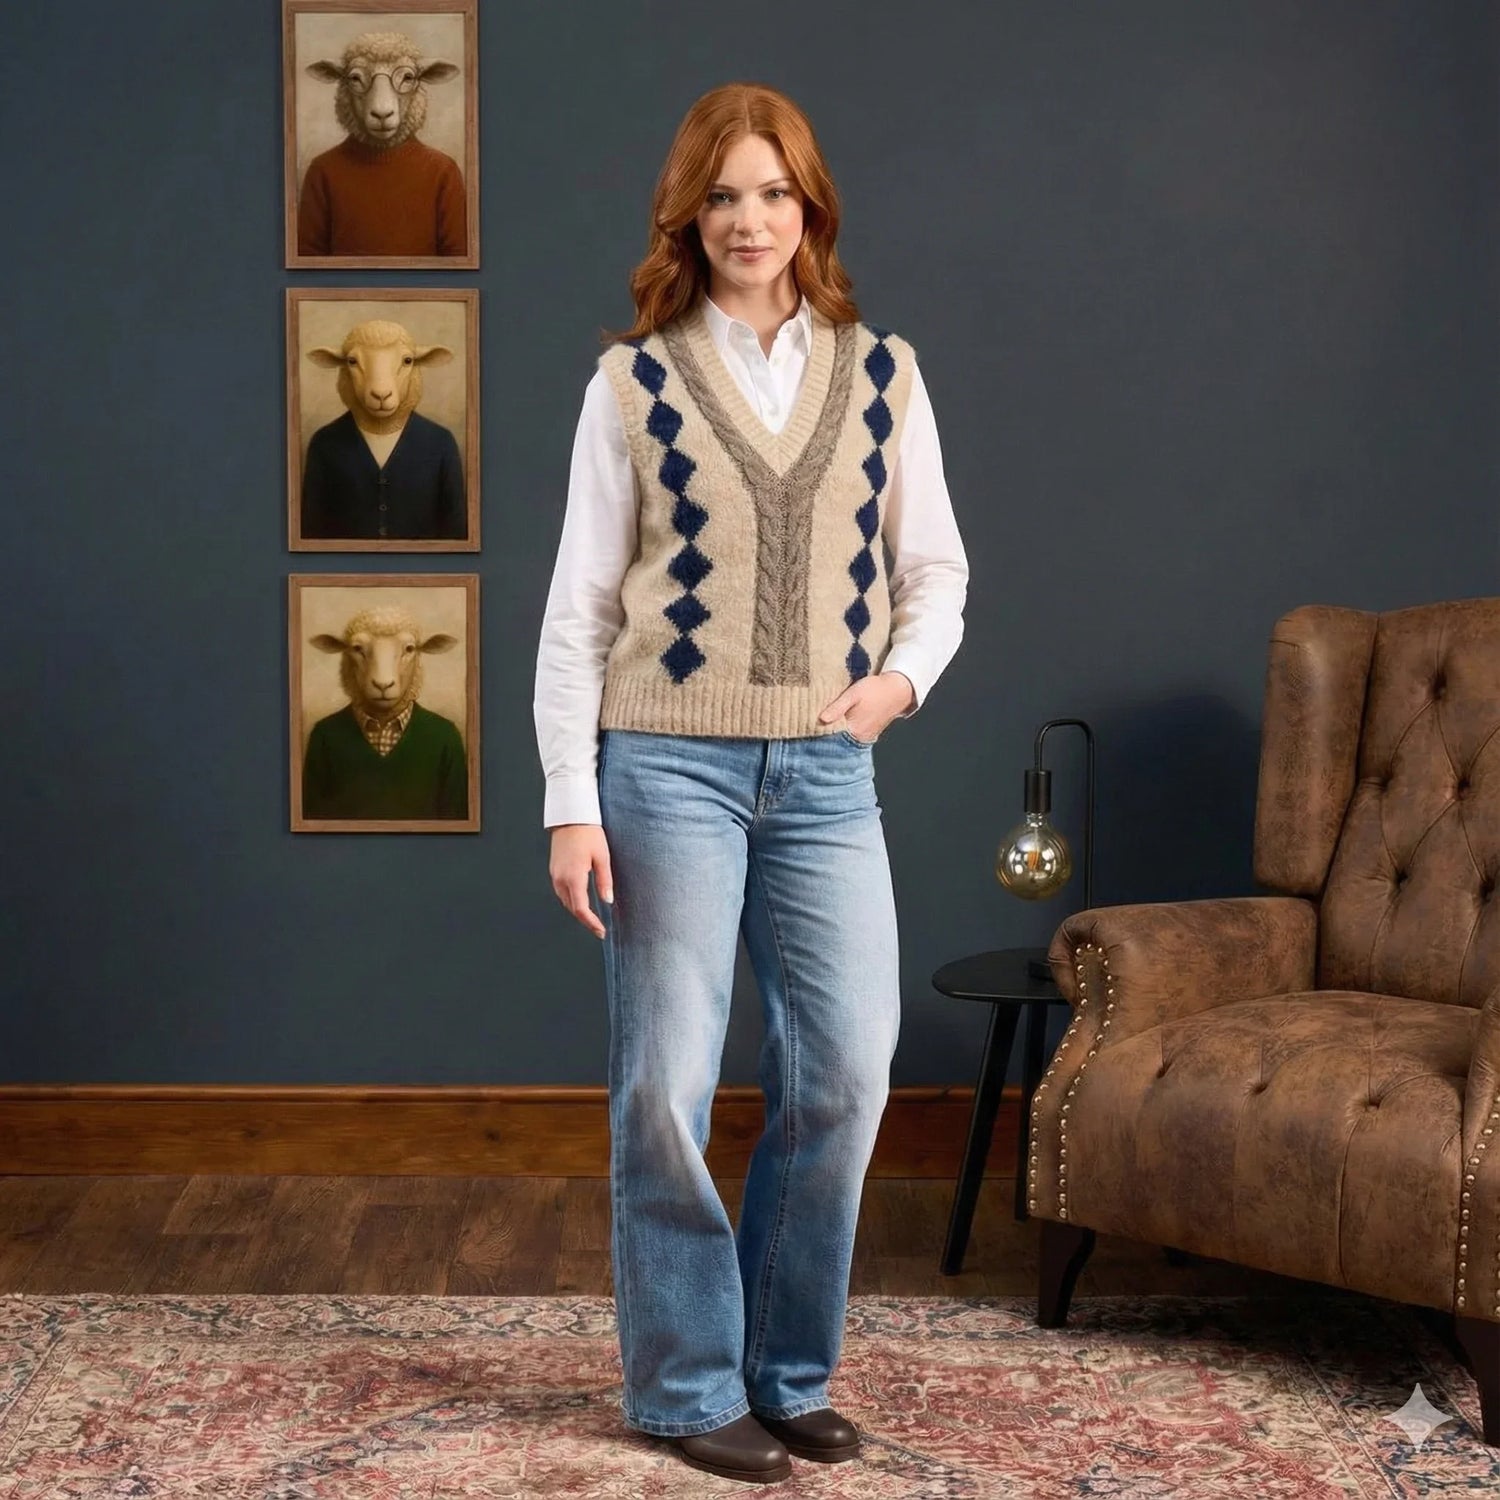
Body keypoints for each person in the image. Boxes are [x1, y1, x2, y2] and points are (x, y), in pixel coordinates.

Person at [533, 82, 968, 1485]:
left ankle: (785, 1374)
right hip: (662, 763)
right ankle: (681, 1385)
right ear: (687, 214)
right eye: (722, 195)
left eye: (774, 193)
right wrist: (568, 798)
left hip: (830, 773)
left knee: (844, 1072)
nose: (749, 220)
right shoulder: (634, 382)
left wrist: (899, 685)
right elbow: (577, 609)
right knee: (664, 1082)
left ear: (812, 210)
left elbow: (936, 576)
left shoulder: (884, 372)